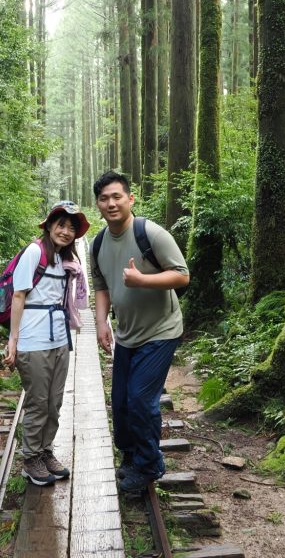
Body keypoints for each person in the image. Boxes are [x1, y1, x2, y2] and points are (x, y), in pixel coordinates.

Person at [91, 171, 189, 494]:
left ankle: (149, 465)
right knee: (119, 401)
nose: (111, 203)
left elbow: (182, 275)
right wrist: (101, 322)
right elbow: (102, 285)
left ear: (130, 199)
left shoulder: (150, 233)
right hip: (127, 334)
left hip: (161, 330)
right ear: (98, 205)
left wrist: (142, 280)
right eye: (104, 199)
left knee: (140, 400)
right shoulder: (99, 243)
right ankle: (131, 455)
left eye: (117, 196)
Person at [3, 200, 90, 486]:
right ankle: (30, 459)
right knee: (38, 402)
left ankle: (45, 451)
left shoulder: (67, 262)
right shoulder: (34, 252)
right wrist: (13, 341)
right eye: (61, 225)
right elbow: (19, 296)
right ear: (50, 226)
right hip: (32, 340)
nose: (65, 231)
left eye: (71, 228)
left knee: (55, 401)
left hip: (59, 340)